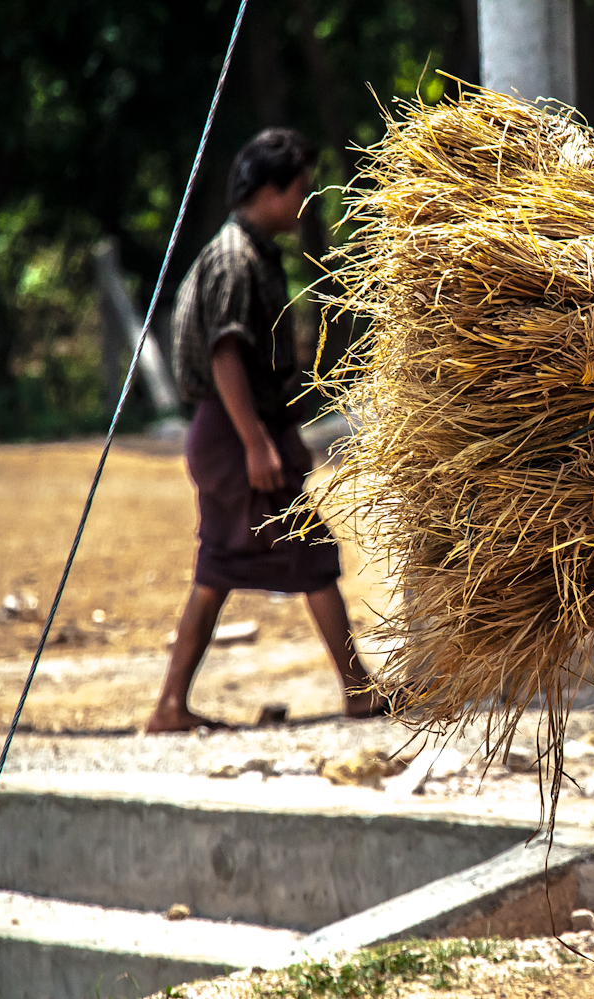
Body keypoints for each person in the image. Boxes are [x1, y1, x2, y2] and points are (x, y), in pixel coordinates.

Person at [146, 127, 385, 733]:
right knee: (306, 555)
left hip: (242, 429)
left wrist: (274, 434)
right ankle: (356, 691)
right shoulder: (234, 258)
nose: (307, 203)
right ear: (271, 191)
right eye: (301, 189)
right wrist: (255, 441)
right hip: (232, 433)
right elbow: (226, 351)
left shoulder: (251, 252)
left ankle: (171, 704)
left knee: (221, 567)